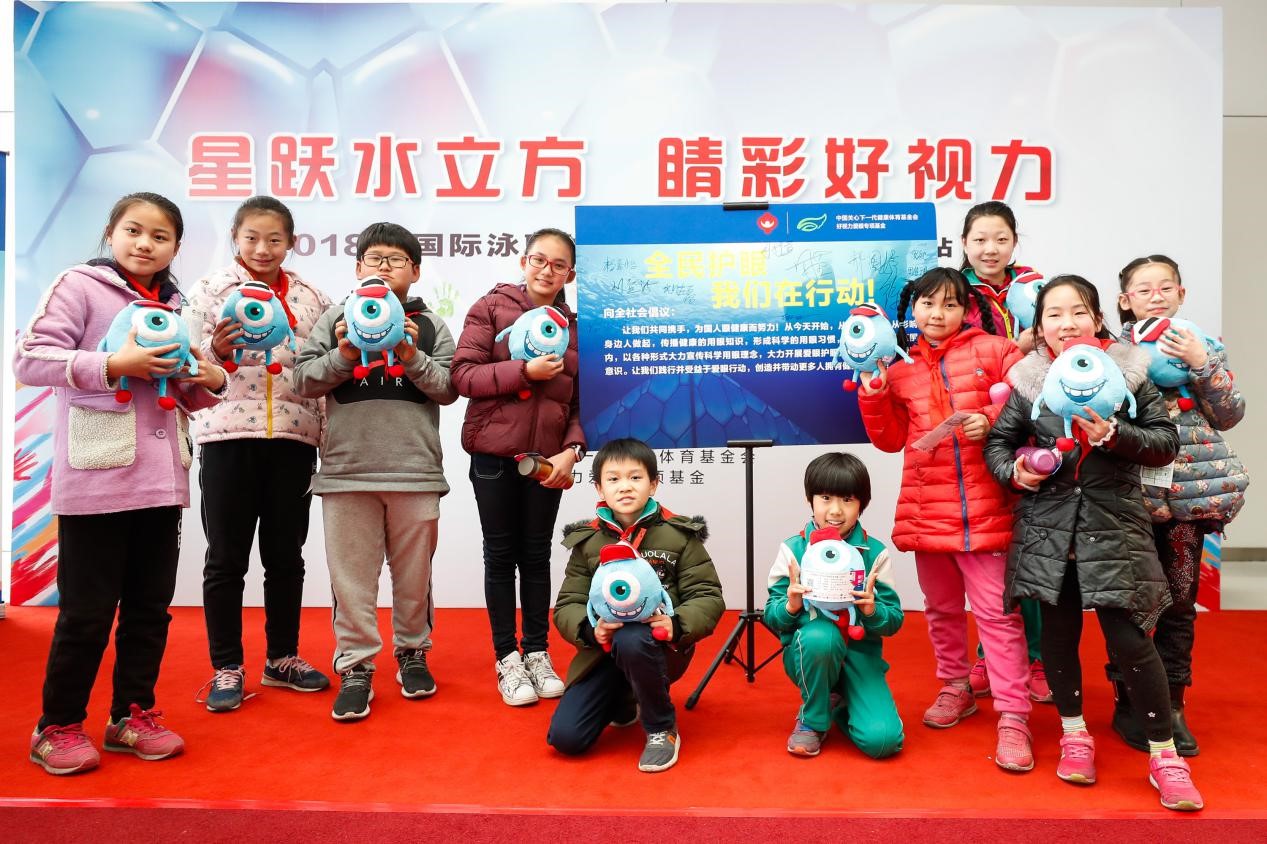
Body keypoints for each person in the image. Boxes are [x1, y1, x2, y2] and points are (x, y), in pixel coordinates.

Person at [16, 192, 228, 775]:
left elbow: (181, 392)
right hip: (96, 481)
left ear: (175, 248)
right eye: (134, 230)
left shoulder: (176, 304)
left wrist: (211, 376)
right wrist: (113, 364)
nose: (145, 244)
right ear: (111, 233)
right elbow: (30, 359)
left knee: (149, 610)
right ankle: (57, 725)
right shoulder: (79, 286)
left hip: (161, 484)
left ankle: (132, 715)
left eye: (160, 237)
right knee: (86, 614)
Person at [985, 275, 1204, 811]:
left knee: (1132, 641)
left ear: (1098, 319)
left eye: (1079, 311)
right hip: (1050, 530)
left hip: (1116, 529)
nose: (1068, 324)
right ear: (1040, 326)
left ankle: (1163, 755)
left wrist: (1113, 434)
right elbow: (998, 444)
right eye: (1054, 314)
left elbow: (1165, 442)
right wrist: (1015, 472)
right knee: (1058, 638)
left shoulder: (1130, 372)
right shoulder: (1030, 380)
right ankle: (1074, 733)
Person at [857, 267, 1035, 772]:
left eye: (950, 304)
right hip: (926, 510)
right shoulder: (898, 369)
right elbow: (889, 439)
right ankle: (956, 686)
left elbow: (1034, 405)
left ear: (966, 309)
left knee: (998, 617)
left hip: (987, 510)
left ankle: (1014, 716)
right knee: (941, 611)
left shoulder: (996, 351)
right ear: (912, 309)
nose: (937, 314)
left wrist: (992, 421)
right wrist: (871, 392)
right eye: (928, 304)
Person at [292, 222, 457, 721]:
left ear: (416, 271)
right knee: (352, 581)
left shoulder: (431, 326)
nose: (384, 267)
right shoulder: (335, 318)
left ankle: (413, 653)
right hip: (347, 472)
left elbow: (449, 388)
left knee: (414, 576)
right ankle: (356, 666)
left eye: (396, 260)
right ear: (358, 267)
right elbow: (303, 381)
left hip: (414, 470)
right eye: (374, 259)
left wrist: (410, 354)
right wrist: (345, 354)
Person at [187, 196, 334, 712]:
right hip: (226, 438)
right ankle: (226, 666)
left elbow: (323, 373)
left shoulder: (313, 297)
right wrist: (218, 352)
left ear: (291, 242)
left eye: (274, 239)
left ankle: (282, 658)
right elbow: (187, 360)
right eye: (251, 237)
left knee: (286, 558)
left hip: (293, 440)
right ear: (235, 237)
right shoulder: (210, 290)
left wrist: (326, 438)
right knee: (225, 559)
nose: (263, 248)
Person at [1111, 255, 1248, 756]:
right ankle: (1128, 700)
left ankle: (1171, 704)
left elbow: (1229, 414)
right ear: (1125, 301)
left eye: (1165, 287)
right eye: (1143, 289)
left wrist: (1202, 364)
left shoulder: (1202, 345)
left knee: (1180, 604)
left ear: (1181, 294)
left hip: (1189, 500)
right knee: (1129, 603)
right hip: (1129, 500)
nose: (1156, 296)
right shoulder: (1111, 352)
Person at [451, 228, 585, 706]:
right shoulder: (491, 308)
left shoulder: (577, 328)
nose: (547, 270)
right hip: (493, 455)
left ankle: (537, 652)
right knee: (500, 555)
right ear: (523, 262)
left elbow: (581, 404)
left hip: (547, 462)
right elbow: (463, 375)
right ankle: (507, 658)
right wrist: (523, 371)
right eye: (539, 259)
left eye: (558, 264)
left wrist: (572, 450)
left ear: (570, 274)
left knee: (536, 555)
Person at [548, 438, 724, 772]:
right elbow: (569, 603)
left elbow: (708, 595)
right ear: (599, 488)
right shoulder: (587, 541)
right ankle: (625, 698)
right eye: (613, 479)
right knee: (566, 738)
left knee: (633, 638)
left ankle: (661, 728)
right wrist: (592, 630)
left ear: (653, 484)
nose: (625, 486)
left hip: (661, 647)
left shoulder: (679, 534)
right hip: (604, 653)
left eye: (635, 477)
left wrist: (676, 624)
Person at [959, 200, 1049, 700]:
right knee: (989, 556)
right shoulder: (952, 293)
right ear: (964, 243)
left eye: (1000, 239)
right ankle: (990, 654)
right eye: (979, 239)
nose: (989, 249)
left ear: (1015, 241)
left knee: (1029, 549)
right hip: (982, 429)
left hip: (1036, 427)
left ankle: (1035, 657)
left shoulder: (1038, 289)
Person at [765, 452, 904, 759]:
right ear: (810, 499)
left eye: (847, 500)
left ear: (862, 503)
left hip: (860, 656)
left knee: (883, 742)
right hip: (810, 652)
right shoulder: (793, 550)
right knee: (821, 636)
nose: (836, 510)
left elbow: (894, 620)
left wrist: (872, 611)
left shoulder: (874, 552)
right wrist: (790, 605)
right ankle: (813, 719)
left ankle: (840, 703)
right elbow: (772, 617)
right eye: (825, 498)